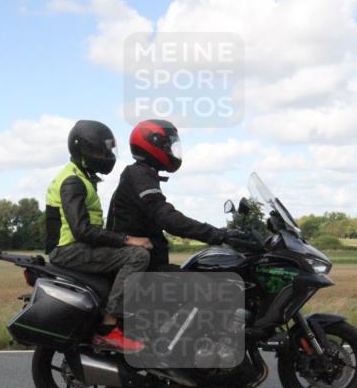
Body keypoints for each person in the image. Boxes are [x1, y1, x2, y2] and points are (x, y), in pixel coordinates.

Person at [45, 120, 152, 352]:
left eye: (109, 149)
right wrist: (127, 240)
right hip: (68, 249)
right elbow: (81, 230)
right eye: (101, 149)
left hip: (75, 246)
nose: (107, 155)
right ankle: (108, 328)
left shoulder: (80, 176)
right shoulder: (72, 181)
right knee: (137, 257)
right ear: (83, 149)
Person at [108, 119, 230, 270]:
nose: (172, 150)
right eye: (169, 145)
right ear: (154, 144)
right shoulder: (138, 175)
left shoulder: (142, 174)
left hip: (149, 264)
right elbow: (167, 217)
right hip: (140, 269)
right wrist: (218, 234)